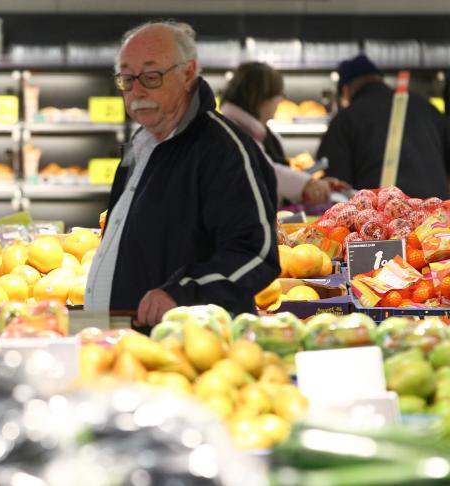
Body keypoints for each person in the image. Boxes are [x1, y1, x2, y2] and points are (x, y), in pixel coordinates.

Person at [84, 21, 280, 327]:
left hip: (190, 351)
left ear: (188, 73)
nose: (136, 90)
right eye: (127, 78)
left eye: (151, 76)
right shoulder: (141, 145)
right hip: (130, 345)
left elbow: (255, 253)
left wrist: (184, 292)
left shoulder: (222, 149)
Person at [317, 54, 450, 199]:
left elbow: (337, 182)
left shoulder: (346, 119)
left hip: (381, 215)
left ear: (346, 90)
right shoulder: (426, 108)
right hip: (435, 213)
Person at [220, 62, 350, 205]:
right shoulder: (232, 132)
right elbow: (263, 170)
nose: (280, 101)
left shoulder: (254, 131)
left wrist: (311, 185)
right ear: (262, 97)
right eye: (278, 95)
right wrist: (306, 184)